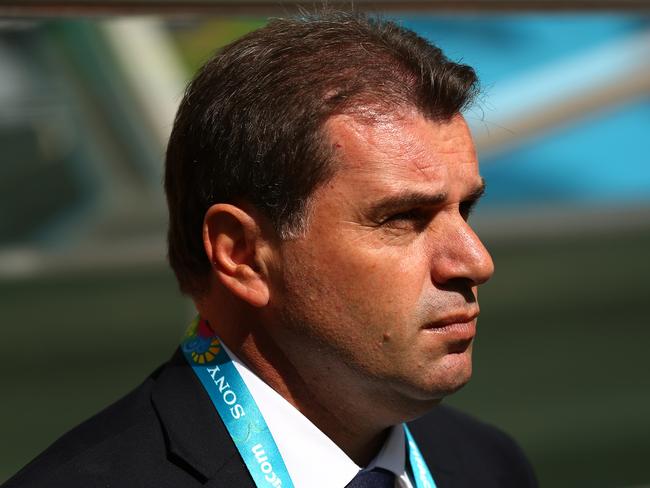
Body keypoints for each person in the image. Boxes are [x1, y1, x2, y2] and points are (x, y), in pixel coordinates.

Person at [4, 11, 537, 488]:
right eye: (402, 218)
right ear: (242, 254)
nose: (475, 261)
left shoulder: (486, 465)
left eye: (464, 210)